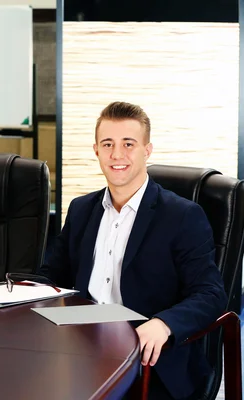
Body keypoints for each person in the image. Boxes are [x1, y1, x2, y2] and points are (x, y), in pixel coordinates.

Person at [41, 101, 227, 400]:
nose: (117, 154)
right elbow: (52, 276)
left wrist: (165, 323)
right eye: (108, 144)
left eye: (128, 144)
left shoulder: (182, 216)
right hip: (80, 348)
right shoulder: (81, 209)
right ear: (96, 150)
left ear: (147, 150)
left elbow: (210, 293)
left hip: (149, 359)